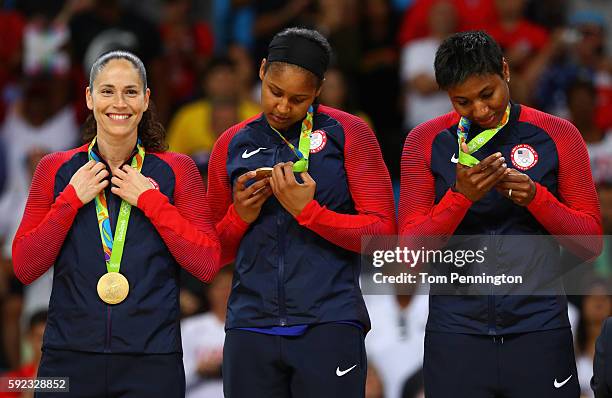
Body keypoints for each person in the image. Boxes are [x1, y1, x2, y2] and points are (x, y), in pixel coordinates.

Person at [399, 31, 602, 398]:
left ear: (505, 71)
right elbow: (409, 255)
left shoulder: (558, 135)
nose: (479, 110)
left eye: (487, 94)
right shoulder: (423, 141)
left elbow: (590, 243)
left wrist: (535, 198)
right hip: (456, 333)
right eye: (463, 101)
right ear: (447, 94)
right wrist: (460, 198)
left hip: (538, 328)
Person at [12, 50, 220, 397]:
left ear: (146, 99)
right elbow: (24, 266)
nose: (119, 102)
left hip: (152, 360)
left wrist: (152, 202)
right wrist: (70, 200)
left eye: (130, 91)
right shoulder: (56, 169)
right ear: (90, 98)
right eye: (107, 91)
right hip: (68, 359)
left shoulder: (176, 169)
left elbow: (207, 264)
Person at [207, 27, 396, 397]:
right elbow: (212, 254)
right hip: (251, 323)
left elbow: (383, 235)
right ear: (261, 70)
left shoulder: (350, 132)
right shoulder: (231, 143)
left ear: (319, 90)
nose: (282, 107)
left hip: (329, 320)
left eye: (299, 99)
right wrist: (239, 217)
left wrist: (310, 212)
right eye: (275, 92)